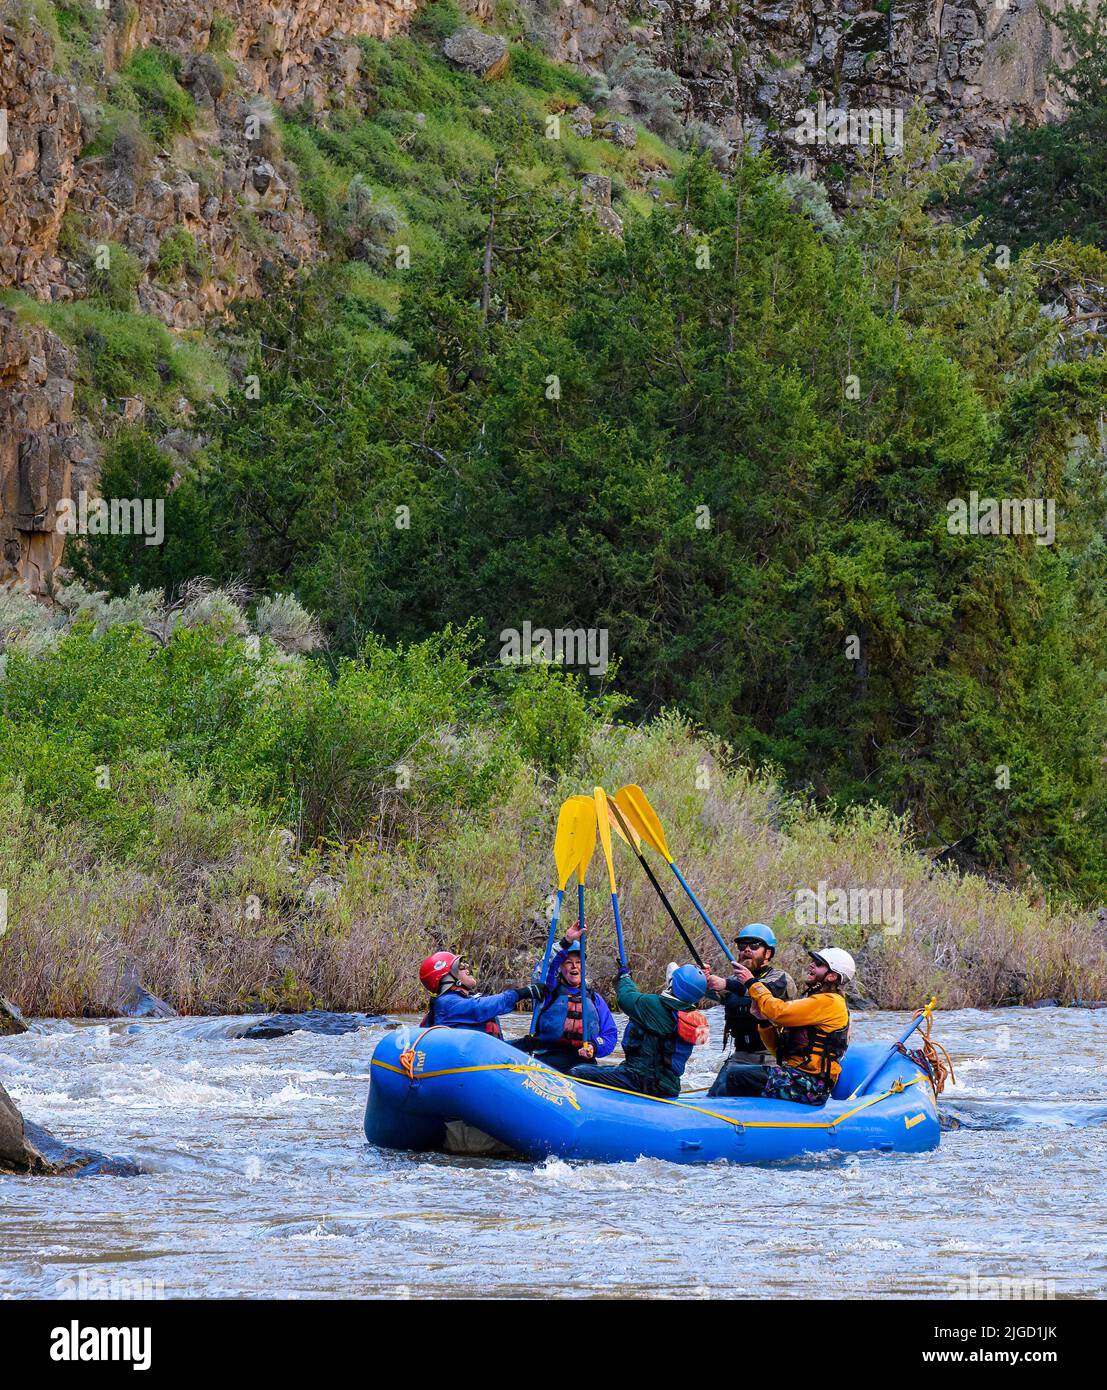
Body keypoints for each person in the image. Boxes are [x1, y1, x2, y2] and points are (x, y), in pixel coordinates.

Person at [707, 947, 855, 1106]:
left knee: (735, 1075)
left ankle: (713, 1118)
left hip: (811, 1086)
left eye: (818, 964)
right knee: (730, 1071)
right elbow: (779, 1052)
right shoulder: (815, 1002)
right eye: (813, 961)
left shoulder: (831, 1002)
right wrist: (763, 1021)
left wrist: (752, 983)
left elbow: (779, 1012)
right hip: (795, 1077)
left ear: (832, 976)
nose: (811, 965)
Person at [570, 963, 710, 1099]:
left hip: (639, 1080)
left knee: (578, 1073)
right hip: (669, 1087)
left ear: (674, 985)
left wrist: (625, 978)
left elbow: (625, 998)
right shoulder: (692, 1018)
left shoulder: (654, 1006)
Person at [704, 924, 797, 1098]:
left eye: (754, 946)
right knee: (715, 1095)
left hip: (770, 1060)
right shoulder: (733, 982)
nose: (746, 950)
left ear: (768, 953)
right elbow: (708, 990)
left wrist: (726, 983)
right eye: (742, 947)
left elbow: (764, 990)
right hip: (739, 1057)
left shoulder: (781, 979)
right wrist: (703, 978)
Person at [516, 922, 618, 1073]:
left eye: (578, 963)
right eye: (568, 963)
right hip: (548, 1059)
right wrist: (567, 940)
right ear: (561, 967)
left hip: (583, 1062)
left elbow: (610, 1034)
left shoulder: (594, 998)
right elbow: (543, 971)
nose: (574, 967)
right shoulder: (549, 990)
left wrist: (594, 1046)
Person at [418, 951, 542, 1038]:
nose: (467, 967)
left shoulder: (462, 1000)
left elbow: (495, 1050)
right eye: (460, 966)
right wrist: (520, 993)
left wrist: (523, 1044)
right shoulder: (446, 1003)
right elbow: (478, 1008)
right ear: (447, 978)